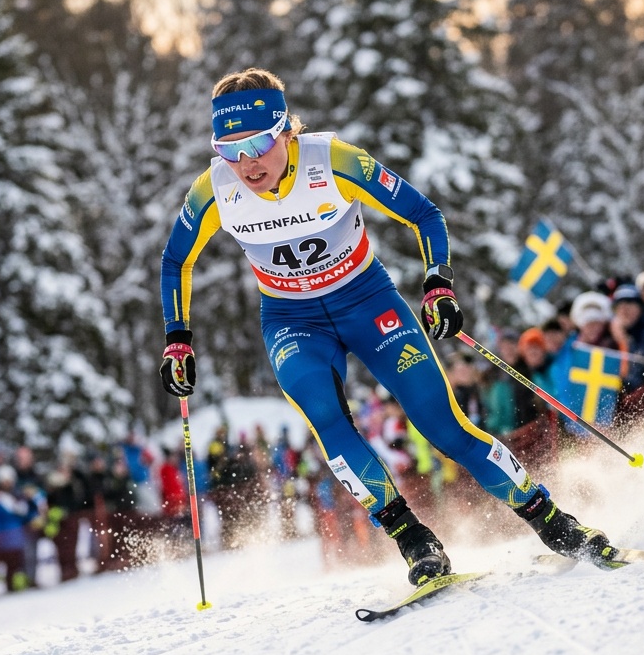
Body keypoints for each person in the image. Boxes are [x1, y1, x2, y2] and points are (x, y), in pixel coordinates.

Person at [157, 68, 613, 586]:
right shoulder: (212, 190)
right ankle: (416, 543)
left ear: (286, 131)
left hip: (368, 304)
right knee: (327, 420)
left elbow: (424, 214)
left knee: (442, 426)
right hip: (292, 320)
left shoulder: (333, 162)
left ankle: (553, 522)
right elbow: (176, 261)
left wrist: (438, 283)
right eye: (228, 148)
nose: (245, 162)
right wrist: (178, 338)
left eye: (258, 142)